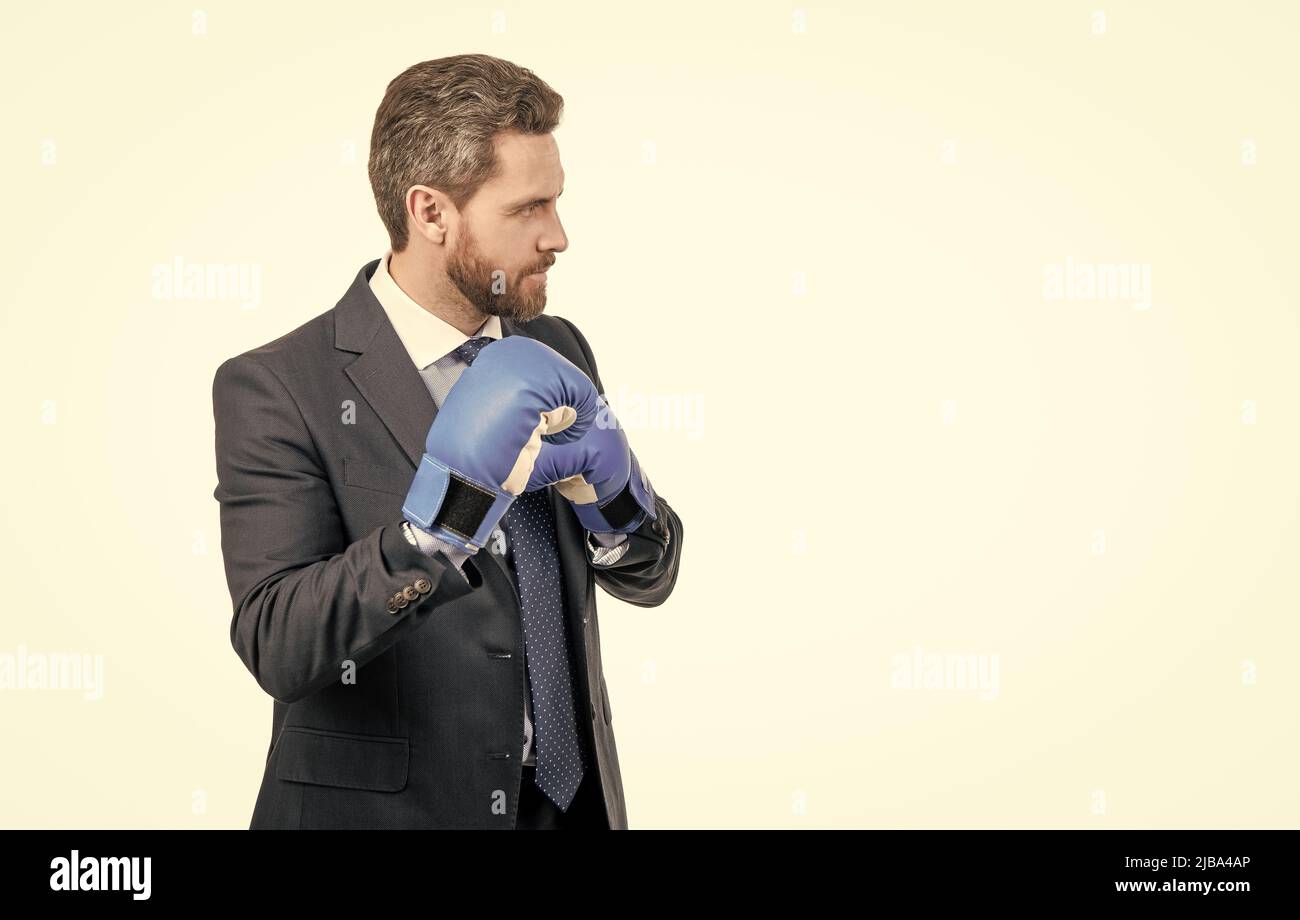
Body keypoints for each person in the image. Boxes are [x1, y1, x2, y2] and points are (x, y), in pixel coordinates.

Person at [211, 53, 683, 829]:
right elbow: (279, 645)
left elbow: (651, 577)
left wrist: (615, 499)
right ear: (431, 213)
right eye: (528, 208)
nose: (557, 235)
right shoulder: (277, 384)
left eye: (557, 201)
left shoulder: (558, 345)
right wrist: (437, 530)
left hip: (572, 807)